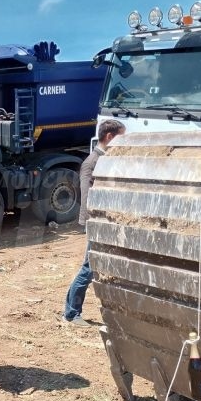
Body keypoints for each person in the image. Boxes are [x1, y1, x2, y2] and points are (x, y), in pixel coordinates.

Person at [60, 119, 125, 327]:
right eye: (121, 137)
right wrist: (97, 223)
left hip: (103, 223)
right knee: (89, 268)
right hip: (96, 223)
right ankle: (71, 313)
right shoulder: (92, 162)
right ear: (109, 137)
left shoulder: (104, 159)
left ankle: (70, 310)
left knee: (88, 267)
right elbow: (88, 198)